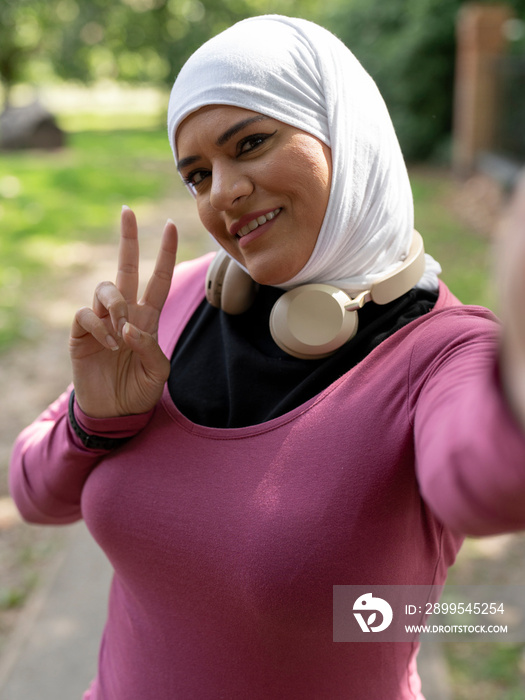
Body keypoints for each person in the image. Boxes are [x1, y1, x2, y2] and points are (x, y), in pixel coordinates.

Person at [8, 14, 525, 700]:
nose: (221, 192)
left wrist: (392, 621)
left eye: (249, 143)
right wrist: (92, 421)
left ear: (342, 131)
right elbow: (34, 495)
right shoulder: (182, 297)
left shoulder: (446, 352)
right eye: (196, 175)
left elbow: (482, 486)